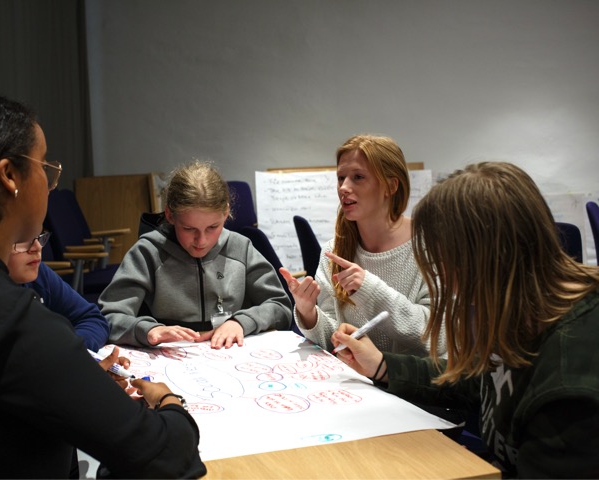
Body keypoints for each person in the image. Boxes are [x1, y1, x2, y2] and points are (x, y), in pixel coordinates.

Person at [0, 88, 205, 478]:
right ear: (10, 176)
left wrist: (70, 377)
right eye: (45, 168)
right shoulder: (2, 316)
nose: (50, 184)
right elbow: (164, 455)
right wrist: (169, 400)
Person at [331, 162, 599, 478]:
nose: (438, 273)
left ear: (481, 258)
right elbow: (483, 381)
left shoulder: (569, 387)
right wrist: (381, 365)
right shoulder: (524, 310)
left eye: (441, 258)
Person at [280, 134, 446, 356]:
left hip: (409, 387)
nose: (344, 188)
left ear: (390, 186)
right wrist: (308, 312)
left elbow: (437, 339)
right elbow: (334, 341)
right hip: (357, 383)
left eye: (358, 177)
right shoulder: (333, 251)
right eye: (341, 178)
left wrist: (370, 289)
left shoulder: (430, 246)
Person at [100, 160, 292, 349]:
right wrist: (148, 330)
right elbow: (109, 317)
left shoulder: (240, 248)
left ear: (226, 213)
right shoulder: (148, 252)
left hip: (231, 355)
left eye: (212, 227)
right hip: (171, 356)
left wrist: (241, 322)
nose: (201, 241)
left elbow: (280, 308)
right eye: (189, 228)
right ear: (170, 215)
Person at [7, 230, 110, 352]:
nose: (37, 247)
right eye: (22, 240)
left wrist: (74, 351)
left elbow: (92, 318)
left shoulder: (40, 273)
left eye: (38, 236)